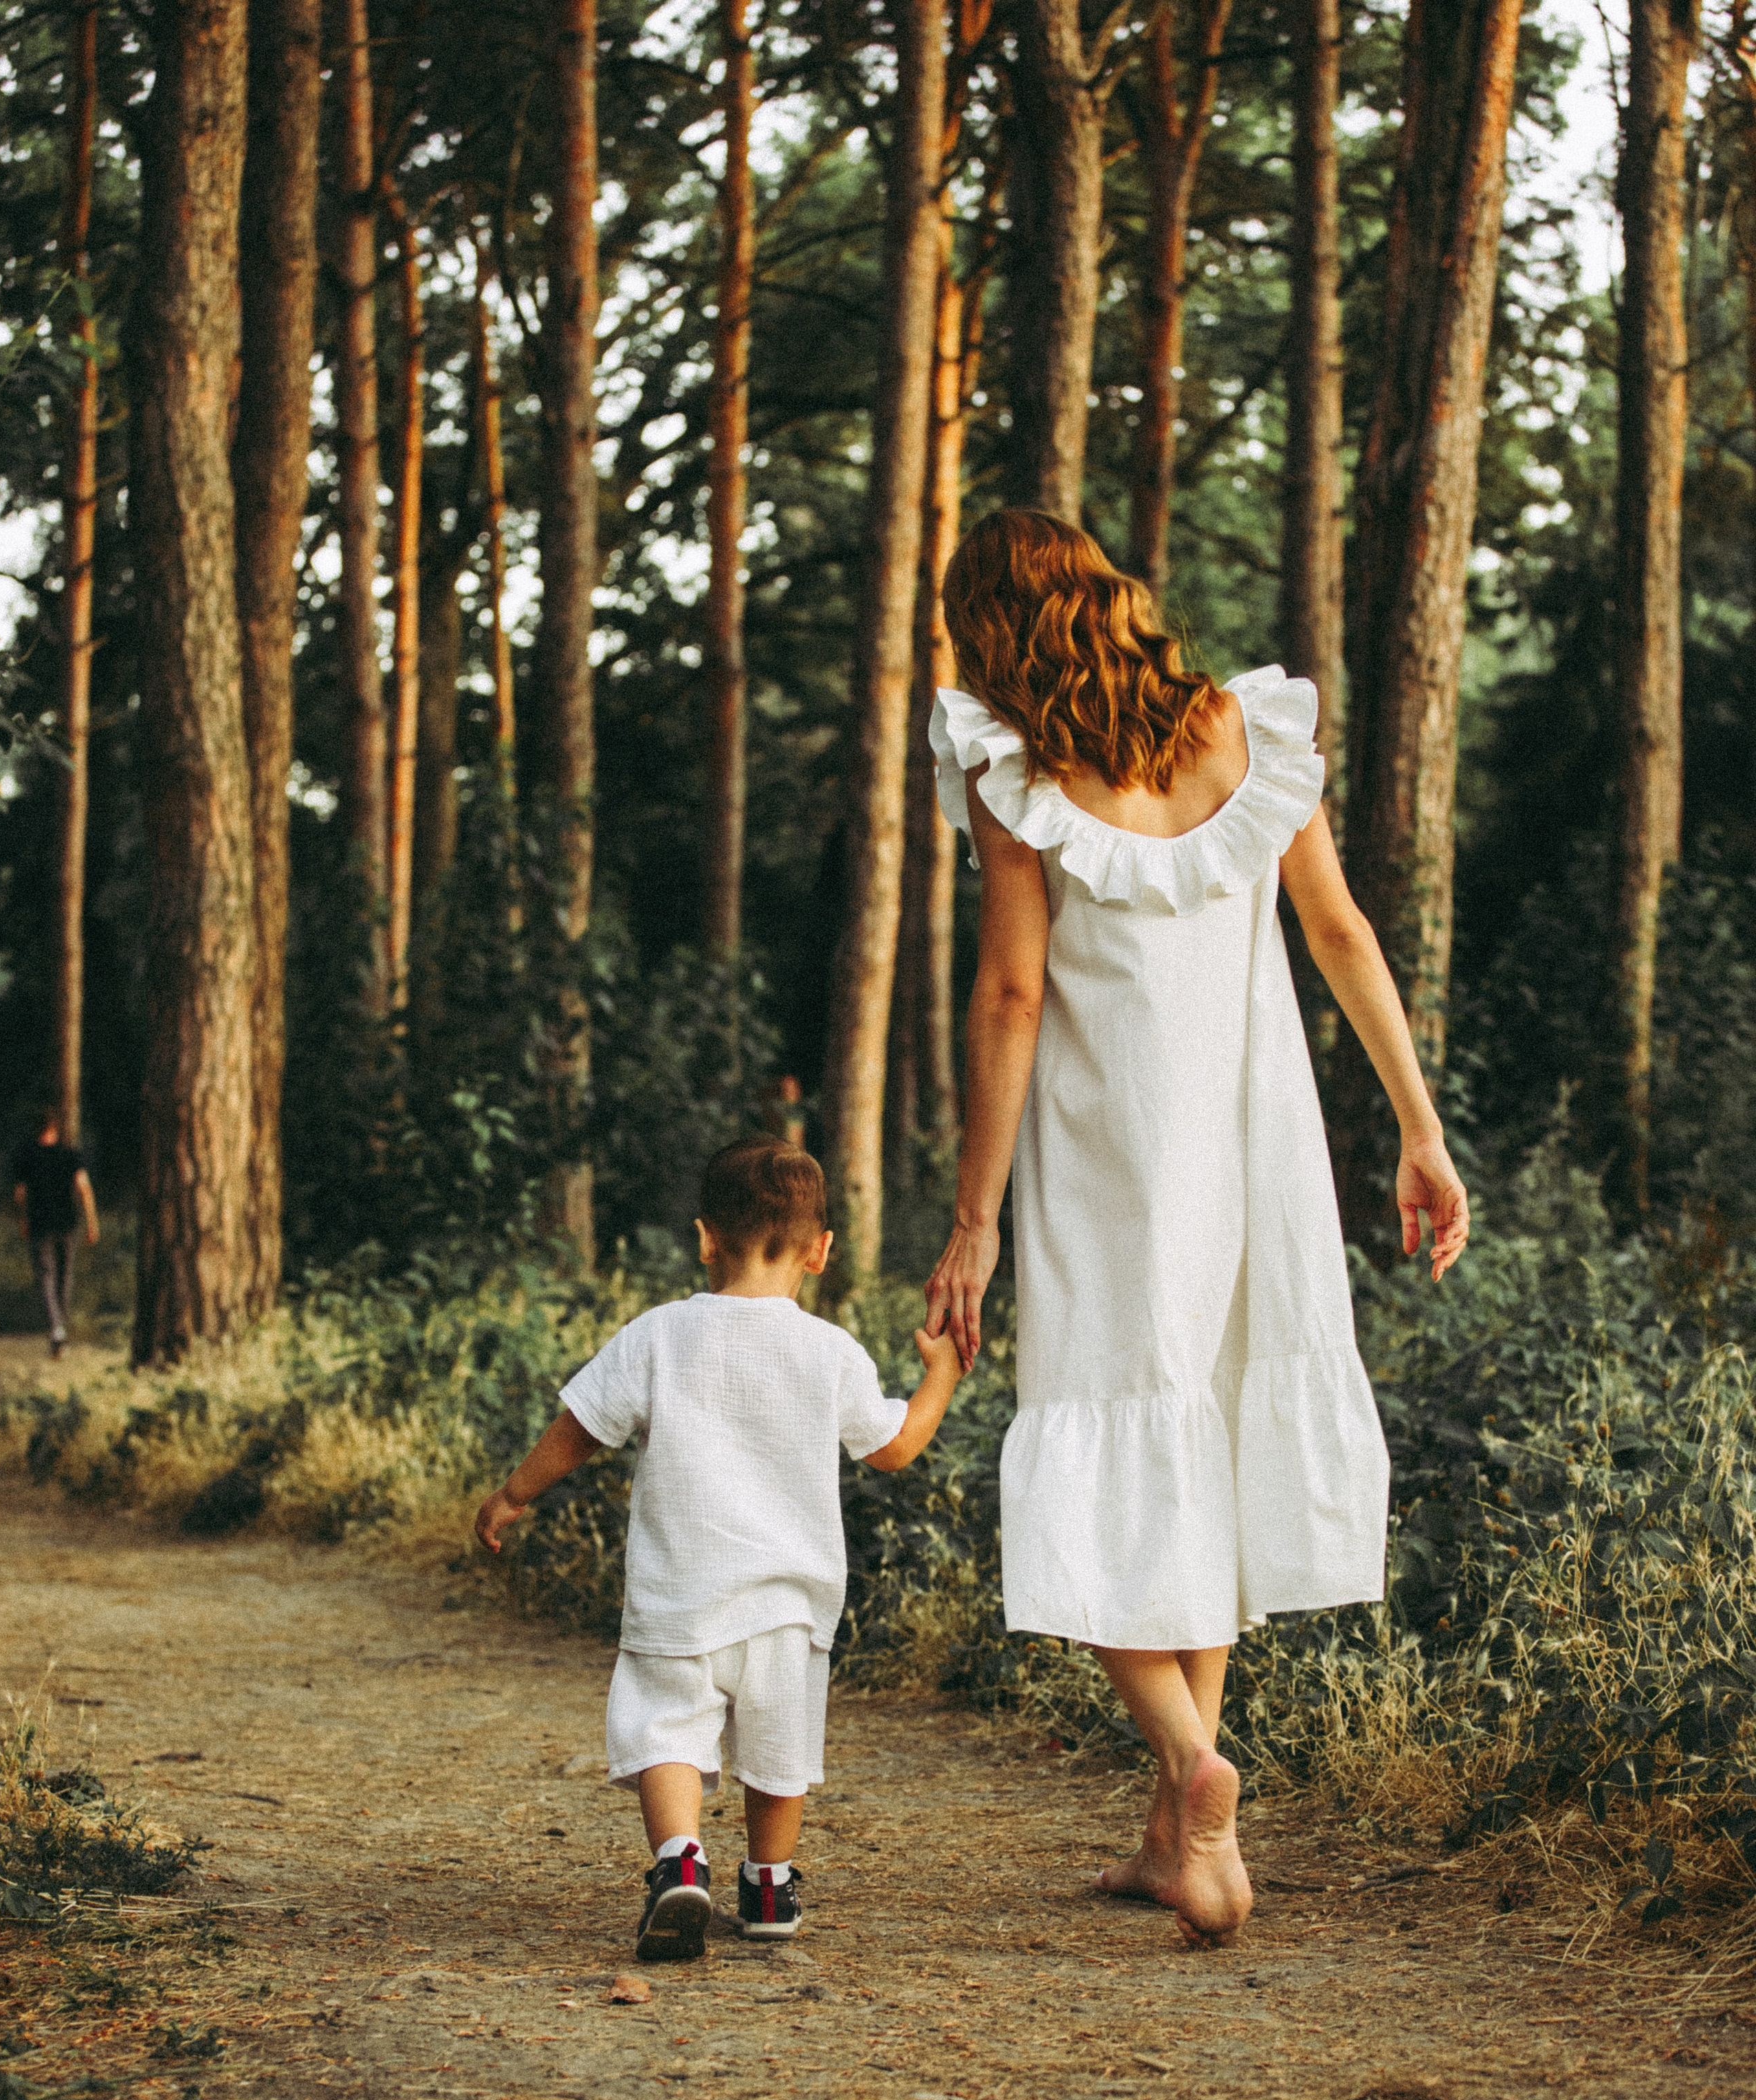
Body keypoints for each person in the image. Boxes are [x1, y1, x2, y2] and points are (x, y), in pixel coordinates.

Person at [923, 511, 1469, 1947]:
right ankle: (1182, 1844)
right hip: (1249, 1140)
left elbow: (1010, 999)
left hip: (1110, 1148)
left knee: (1104, 1432)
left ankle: (1188, 1761)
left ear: (987, 632)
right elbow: (1339, 931)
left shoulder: (1009, 769)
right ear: (1107, 597)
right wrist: (1417, 1126)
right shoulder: (1239, 731)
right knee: (1199, 1441)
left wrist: (971, 1220)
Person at [474, 1135, 965, 1964]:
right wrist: (941, 1375)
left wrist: (515, 1493)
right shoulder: (829, 1352)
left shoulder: (659, 1335)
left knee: (666, 1728)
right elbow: (895, 1448)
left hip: (680, 1593)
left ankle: (679, 1864)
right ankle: (769, 1885)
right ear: (820, 1251)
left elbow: (581, 1427)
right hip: (789, 1606)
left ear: (705, 1239)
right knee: (779, 1750)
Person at [11, 1110, 99, 1358]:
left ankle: (55, 1327)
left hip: (40, 1224)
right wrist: (92, 1222)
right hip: (67, 1224)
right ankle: (60, 1326)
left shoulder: (27, 1157)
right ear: (55, 1130)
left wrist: (23, 1220)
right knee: (64, 1275)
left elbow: (20, 1194)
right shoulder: (70, 1155)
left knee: (45, 1276)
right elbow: (84, 1189)